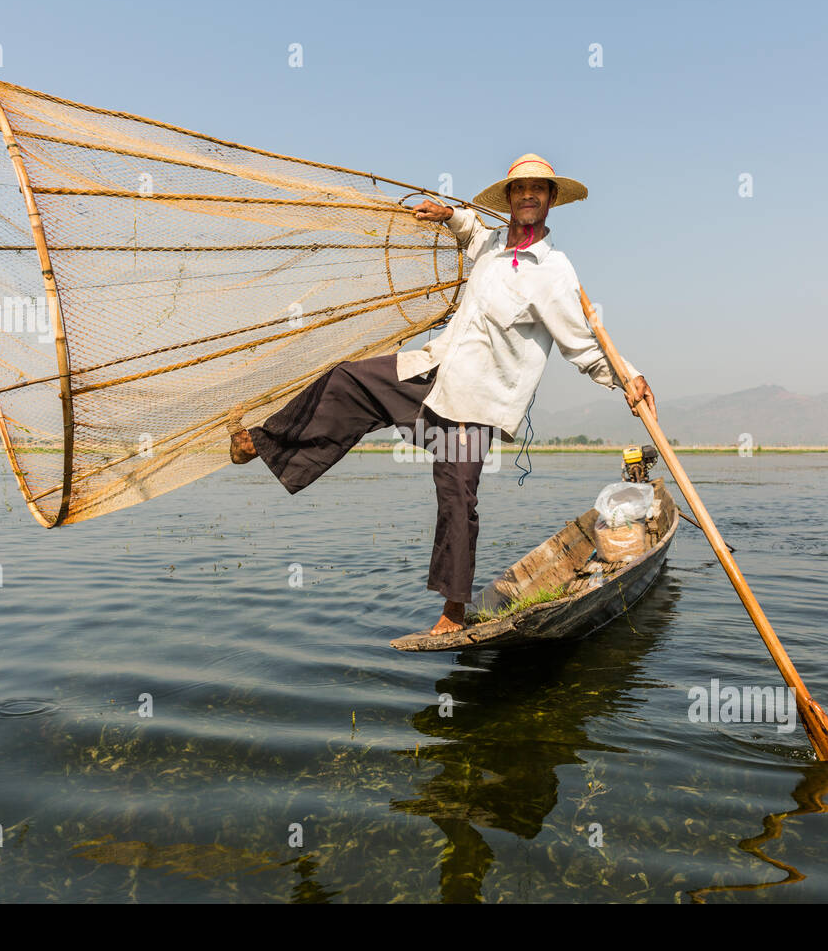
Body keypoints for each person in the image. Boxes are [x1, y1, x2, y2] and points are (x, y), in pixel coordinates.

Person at [229, 154, 656, 635]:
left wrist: (628, 379)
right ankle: (260, 443)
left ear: (552, 199)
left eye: (539, 189)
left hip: (479, 402)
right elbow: (474, 234)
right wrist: (449, 215)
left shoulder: (553, 272)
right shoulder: (494, 245)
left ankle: (454, 610)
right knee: (348, 380)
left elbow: (582, 344)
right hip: (434, 371)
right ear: (511, 199)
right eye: (520, 189)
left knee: (457, 498)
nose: (529, 195)